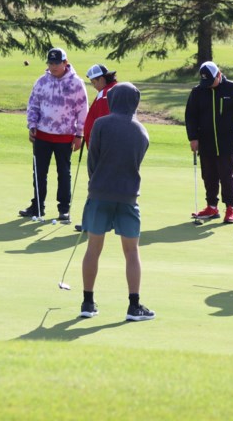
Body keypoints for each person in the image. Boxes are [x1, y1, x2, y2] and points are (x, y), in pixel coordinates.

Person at [79, 82, 155, 322]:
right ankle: (134, 305)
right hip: (128, 196)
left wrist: (96, 182)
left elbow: (93, 160)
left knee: (93, 248)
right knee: (132, 251)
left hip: (100, 193)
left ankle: (88, 302)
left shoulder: (101, 125)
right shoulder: (141, 131)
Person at [19, 48, 88, 223]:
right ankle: (38, 206)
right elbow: (33, 104)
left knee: (63, 173)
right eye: (50, 63)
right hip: (42, 134)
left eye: (57, 63)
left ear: (65, 62)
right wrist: (32, 125)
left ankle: (64, 209)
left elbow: (82, 111)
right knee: (39, 173)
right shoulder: (42, 81)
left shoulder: (76, 84)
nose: (53, 66)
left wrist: (79, 134)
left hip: (65, 136)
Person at [185, 61, 233, 224]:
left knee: (226, 176)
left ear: (219, 75)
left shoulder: (232, 88)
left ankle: (230, 207)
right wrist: (193, 137)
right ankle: (211, 206)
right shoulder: (197, 91)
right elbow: (191, 116)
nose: (207, 85)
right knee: (208, 176)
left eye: (210, 81)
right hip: (205, 141)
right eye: (204, 82)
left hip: (226, 141)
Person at [83, 64, 118, 145]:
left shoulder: (104, 95)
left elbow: (103, 121)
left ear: (102, 79)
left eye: (94, 82)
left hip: (102, 145)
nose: (94, 86)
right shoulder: (114, 89)